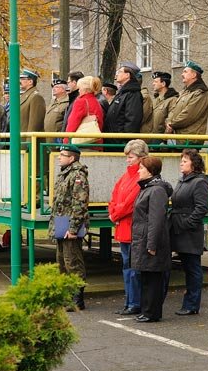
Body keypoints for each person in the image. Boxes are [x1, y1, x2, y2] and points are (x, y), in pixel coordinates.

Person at [108, 139, 149, 316]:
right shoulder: (126, 176)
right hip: (124, 227)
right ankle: (129, 301)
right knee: (127, 267)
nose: (128, 160)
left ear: (140, 158)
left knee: (133, 269)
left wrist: (114, 214)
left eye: (131, 157)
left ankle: (134, 302)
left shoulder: (139, 177)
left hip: (132, 228)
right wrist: (113, 211)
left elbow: (130, 203)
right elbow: (115, 196)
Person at [131, 156, 173, 323]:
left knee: (153, 278)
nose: (138, 170)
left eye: (141, 168)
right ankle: (146, 310)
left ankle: (152, 312)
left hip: (150, 239)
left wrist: (152, 244)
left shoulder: (156, 191)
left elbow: (156, 220)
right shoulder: (147, 188)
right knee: (146, 276)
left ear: (150, 171)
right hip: (143, 238)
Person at [48, 144, 89, 311]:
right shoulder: (64, 174)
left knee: (73, 262)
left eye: (63, 155)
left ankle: (76, 299)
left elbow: (79, 203)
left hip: (70, 222)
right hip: (61, 221)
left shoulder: (78, 175)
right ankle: (67, 296)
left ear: (72, 158)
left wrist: (73, 229)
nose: (59, 157)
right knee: (62, 261)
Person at [170, 148, 208, 316]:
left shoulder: (199, 182)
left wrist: (187, 223)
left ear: (194, 164)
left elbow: (201, 207)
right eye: (181, 160)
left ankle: (192, 304)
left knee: (193, 268)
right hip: (178, 228)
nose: (181, 163)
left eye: (185, 161)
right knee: (186, 267)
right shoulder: (183, 181)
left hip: (189, 231)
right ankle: (188, 302)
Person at [165, 61, 208, 135]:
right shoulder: (183, 92)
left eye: (185, 72)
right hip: (178, 137)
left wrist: (171, 125)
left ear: (194, 75)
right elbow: (173, 109)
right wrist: (168, 121)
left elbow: (188, 115)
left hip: (189, 139)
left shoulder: (200, 94)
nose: (182, 74)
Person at [65, 76, 105, 145]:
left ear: (85, 89)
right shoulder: (96, 101)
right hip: (95, 142)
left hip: (81, 143)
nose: (78, 91)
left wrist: (66, 141)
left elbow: (73, 123)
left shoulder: (81, 102)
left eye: (79, 88)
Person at [105, 63, 144, 134]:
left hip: (120, 140)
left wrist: (124, 140)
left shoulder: (133, 93)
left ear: (127, 75)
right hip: (114, 138)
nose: (117, 74)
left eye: (119, 72)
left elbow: (132, 120)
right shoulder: (123, 92)